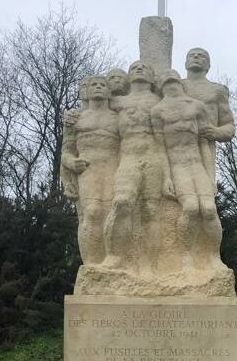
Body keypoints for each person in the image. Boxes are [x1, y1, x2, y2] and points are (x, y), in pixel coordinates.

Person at [151, 71, 224, 272]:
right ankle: (186, 257)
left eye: (173, 80)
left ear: (180, 83)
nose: (170, 84)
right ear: (161, 86)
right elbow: (160, 148)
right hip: (177, 166)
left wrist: (211, 176)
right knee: (191, 207)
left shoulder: (196, 106)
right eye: (166, 81)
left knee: (208, 209)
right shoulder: (157, 111)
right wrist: (166, 177)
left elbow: (204, 143)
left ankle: (214, 257)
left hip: (197, 164)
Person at [103, 60, 167, 275]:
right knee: (122, 202)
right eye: (134, 68)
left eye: (144, 67)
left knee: (151, 211)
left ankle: (149, 265)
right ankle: (115, 257)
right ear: (128, 77)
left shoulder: (160, 101)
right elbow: (92, 109)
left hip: (153, 157)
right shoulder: (116, 102)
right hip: (128, 158)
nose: (139, 69)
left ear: (152, 77)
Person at [60, 75, 120, 265]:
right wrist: (72, 163)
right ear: (87, 90)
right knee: (92, 212)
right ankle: (92, 265)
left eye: (103, 84)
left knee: (112, 213)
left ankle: (113, 260)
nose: (98, 87)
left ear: (109, 91)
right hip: (88, 170)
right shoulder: (76, 119)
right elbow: (66, 151)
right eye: (94, 84)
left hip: (112, 168)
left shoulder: (117, 117)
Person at [181, 47, 236, 184]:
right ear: (186, 63)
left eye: (201, 55)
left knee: (204, 190)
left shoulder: (217, 90)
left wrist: (217, 131)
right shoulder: (175, 86)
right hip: (177, 145)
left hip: (204, 147)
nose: (196, 57)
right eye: (191, 55)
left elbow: (229, 126)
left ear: (208, 65)